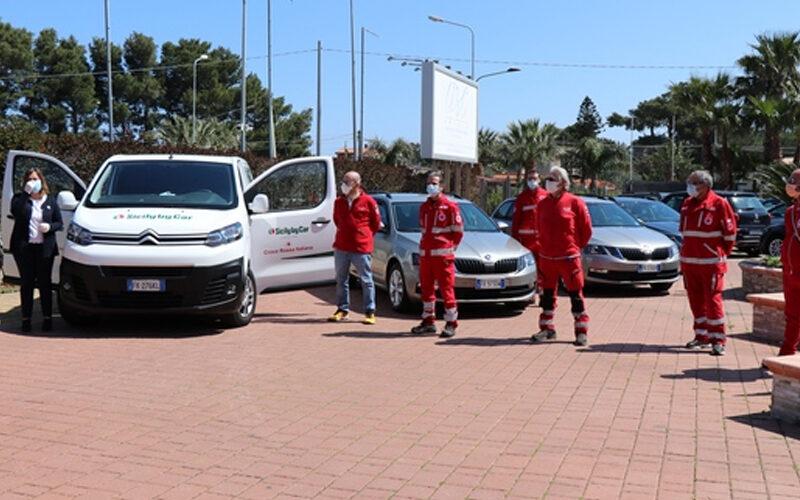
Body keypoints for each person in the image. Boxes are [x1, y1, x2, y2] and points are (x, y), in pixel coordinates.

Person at [531, 166, 592, 346]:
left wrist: (574, 248)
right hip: (547, 259)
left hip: (568, 259)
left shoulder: (575, 202)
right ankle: (547, 329)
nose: (548, 181)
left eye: (553, 178)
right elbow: (538, 229)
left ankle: (581, 332)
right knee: (547, 296)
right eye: (548, 178)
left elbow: (586, 230)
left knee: (575, 295)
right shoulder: (542, 204)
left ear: (563, 183)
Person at [680, 170, 737, 356]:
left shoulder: (719, 204)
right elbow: (685, 233)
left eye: (694, 182)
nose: (690, 186)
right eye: (690, 182)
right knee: (695, 301)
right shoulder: (687, 204)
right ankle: (701, 336)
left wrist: (719, 254)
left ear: (705, 185)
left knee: (713, 301)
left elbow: (730, 235)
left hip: (711, 263)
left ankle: (718, 340)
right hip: (690, 264)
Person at [10, 168, 63, 332]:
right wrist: (26, 193)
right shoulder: (19, 199)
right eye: (29, 179)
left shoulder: (50, 201)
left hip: (44, 249)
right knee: (26, 283)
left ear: (41, 180)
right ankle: (26, 319)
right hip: (24, 248)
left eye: (35, 179)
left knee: (44, 283)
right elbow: (16, 212)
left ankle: (47, 319)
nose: (32, 182)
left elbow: (59, 223)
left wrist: (50, 227)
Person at [411, 172, 464, 338]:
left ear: (441, 186)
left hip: (443, 258)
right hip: (426, 257)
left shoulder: (450, 207)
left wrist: (450, 248)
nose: (430, 186)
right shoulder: (424, 207)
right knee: (426, 290)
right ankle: (428, 322)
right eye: (428, 183)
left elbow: (458, 233)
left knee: (446, 290)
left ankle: (451, 323)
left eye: (434, 183)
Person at [328, 171, 382, 325]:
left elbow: (376, 223)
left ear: (357, 183)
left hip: (361, 248)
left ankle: (370, 311)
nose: (344, 184)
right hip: (342, 247)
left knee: (366, 280)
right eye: (343, 180)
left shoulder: (369, 201)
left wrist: (363, 235)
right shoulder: (339, 202)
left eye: (348, 181)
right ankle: (342, 309)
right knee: (341, 279)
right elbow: (337, 220)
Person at [511, 169, 547, 303]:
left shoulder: (545, 196)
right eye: (530, 178)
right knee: (529, 269)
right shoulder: (522, 198)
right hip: (526, 242)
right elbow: (516, 221)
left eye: (534, 178)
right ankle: (531, 294)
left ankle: (543, 293)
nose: (532, 181)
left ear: (539, 179)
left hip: (542, 241)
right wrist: (515, 241)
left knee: (543, 268)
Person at [779, 168, 800, 356]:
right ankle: (788, 351)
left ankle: (788, 351)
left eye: (794, 181)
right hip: (790, 272)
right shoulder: (790, 212)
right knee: (792, 314)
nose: (790, 184)